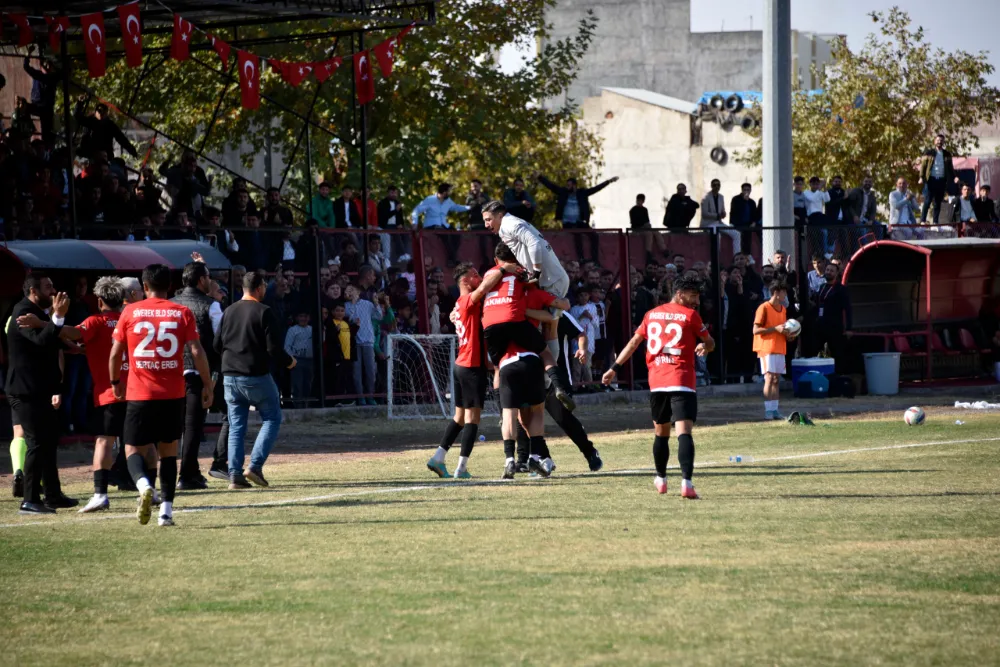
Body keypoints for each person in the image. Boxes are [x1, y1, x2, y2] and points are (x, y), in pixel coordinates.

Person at [110, 264, 214, 527]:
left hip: (140, 393)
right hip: (173, 393)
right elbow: (197, 351)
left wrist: (114, 382)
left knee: (132, 448)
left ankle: (144, 485)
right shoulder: (181, 312)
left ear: (145, 287)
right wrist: (207, 384)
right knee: (168, 453)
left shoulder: (130, 311)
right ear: (170, 286)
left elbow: (115, 353)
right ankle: (166, 512)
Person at [20, 277, 128, 512]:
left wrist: (41, 323)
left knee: (103, 442)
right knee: (142, 444)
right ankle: (148, 487)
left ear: (99, 301)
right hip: (137, 392)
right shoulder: (130, 319)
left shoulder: (96, 321)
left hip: (110, 392)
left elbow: (72, 332)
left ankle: (100, 494)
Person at [601, 276, 715, 498]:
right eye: (693, 296)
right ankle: (686, 484)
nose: (697, 302)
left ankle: (661, 479)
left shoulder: (651, 314)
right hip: (681, 380)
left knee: (661, 433)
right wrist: (706, 346)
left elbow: (634, 343)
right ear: (680, 293)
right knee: (684, 432)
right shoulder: (690, 315)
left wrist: (614, 367)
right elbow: (710, 341)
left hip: (658, 382)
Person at [476, 210, 575, 409]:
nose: (487, 225)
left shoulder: (489, 275)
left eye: (488, 220)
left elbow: (476, 295)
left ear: (497, 261)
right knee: (550, 330)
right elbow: (564, 305)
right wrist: (523, 310)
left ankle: (502, 411)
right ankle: (554, 385)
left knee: (496, 369)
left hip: (494, 332)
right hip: (521, 329)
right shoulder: (525, 282)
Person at [214, 271, 295, 489]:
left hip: (230, 376)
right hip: (255, 374)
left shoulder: (229, 310)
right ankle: (255, 466)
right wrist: (289, 362)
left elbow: (216, 344)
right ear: (259, 287)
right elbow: (273, 348)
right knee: (272, 418)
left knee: (236, 426)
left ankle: (234, 475)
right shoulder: (264, 311)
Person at [6, 275, 76, 514]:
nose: (54, 291)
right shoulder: (23, 312)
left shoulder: (39, 312)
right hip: (25, 391)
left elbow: (52, 345)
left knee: (48, 442)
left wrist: (71, 343)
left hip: (40, 389)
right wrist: (57, 318)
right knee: (36, 443)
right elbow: (41, 342)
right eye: (49, 287)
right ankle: (30, 500)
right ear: (34, 290)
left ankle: (53, 495)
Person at [427, 263, 487, 479]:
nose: (479, 277)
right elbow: (485, 287)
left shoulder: (459, 303)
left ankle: (438, 458)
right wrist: (501, 270)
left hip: (461, 363)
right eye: (475, 275)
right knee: (473, 418)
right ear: (464, 281)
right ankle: (461, 469)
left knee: (460, 417)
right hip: (471, 365)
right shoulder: (469, 301)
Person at [171, 258, 223, 490]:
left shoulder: (170, 303)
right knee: (193, 425)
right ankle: (187, 474)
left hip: (170, 370)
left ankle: (182, 472)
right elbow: (219, 338)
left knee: (172, 425)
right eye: (208, 277)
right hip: (197, 369)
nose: (210, 280)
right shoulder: (210, 305)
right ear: (202, 280)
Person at [536, 172, 618, 261]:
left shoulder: (582, 193)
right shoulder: (563, 192)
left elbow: (596, 189)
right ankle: (581, 258)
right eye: (566, 185)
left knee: (594, 236)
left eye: (569, 185)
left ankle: (595, 259)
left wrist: (609, 181)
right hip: (567, 223)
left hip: (579, 222)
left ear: (574, 186)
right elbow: (551, 186)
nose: (567, 187)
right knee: (577, 235)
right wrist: (540, 177)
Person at [752, 279, 793, 421]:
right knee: (769, 378)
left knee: (776, 379)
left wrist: (788, 335)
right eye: (784, 292)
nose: (785, 295)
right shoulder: (763, 307)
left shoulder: (783, 309)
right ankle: (768, 410)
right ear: (776, 293)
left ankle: (775, 410)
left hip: (780, 347)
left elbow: (782, 328)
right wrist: (775, 329)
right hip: (766, 348)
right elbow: (756, 330)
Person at [411, 183, 468, 267]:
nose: (450, 193)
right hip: (431, 225)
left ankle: (451, 258)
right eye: (449, 191)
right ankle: (453, 259)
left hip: (443, 225)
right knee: (444, 234)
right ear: (444, 192)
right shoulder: (430, 200)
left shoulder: (448, 201)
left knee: (456, 234)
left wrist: (470, 207)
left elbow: (456, 207)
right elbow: (416, 210)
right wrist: (415, 223)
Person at [810, 262, 852, 372]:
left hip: (834, 326)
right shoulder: (822, 287)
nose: (829, 272)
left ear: (837, 273)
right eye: (827, 270)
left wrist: (848, 328)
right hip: (820, 325)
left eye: (832, 271)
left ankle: (839, 378)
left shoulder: (841, 289)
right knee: (814, 349)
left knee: (837, 353)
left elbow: (848, 309)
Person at [919, 134, 960, 224]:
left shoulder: (946, 154)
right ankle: (922, 220)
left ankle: (935, 221)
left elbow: (950, 167)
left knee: (938, 202)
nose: (939, 142)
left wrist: (955, 176)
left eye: (941, 140)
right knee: (928, 200)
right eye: (938, 140)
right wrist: (921, 177)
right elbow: (923, 166)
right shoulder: (929, 152)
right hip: (931, 179)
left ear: (943, 142)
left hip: (941, 180)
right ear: (934, 141)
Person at [284, 311, 314, 408]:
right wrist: (293, 359)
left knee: (308, 384)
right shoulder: (292, 330)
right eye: (301, 316)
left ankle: (306, 406)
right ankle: (298, 406)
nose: (303, 319)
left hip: (310, 360)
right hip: (297, 360)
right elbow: (287, 347)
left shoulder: (312, 329)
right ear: (297, 318)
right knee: (297, 385)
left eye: (305, 316)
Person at [630, 193, 666, 261]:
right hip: (637, 229)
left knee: (656, 232)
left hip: (645, 228)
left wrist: (647, 225)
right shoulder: (633, 210)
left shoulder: (644, 210)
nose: (639, 202)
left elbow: (647, 220)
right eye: (638, 200)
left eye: (641, 200)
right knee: (649, 234)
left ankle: (663, 249)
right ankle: (648, 252)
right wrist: (643, 225)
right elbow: (633, 223)